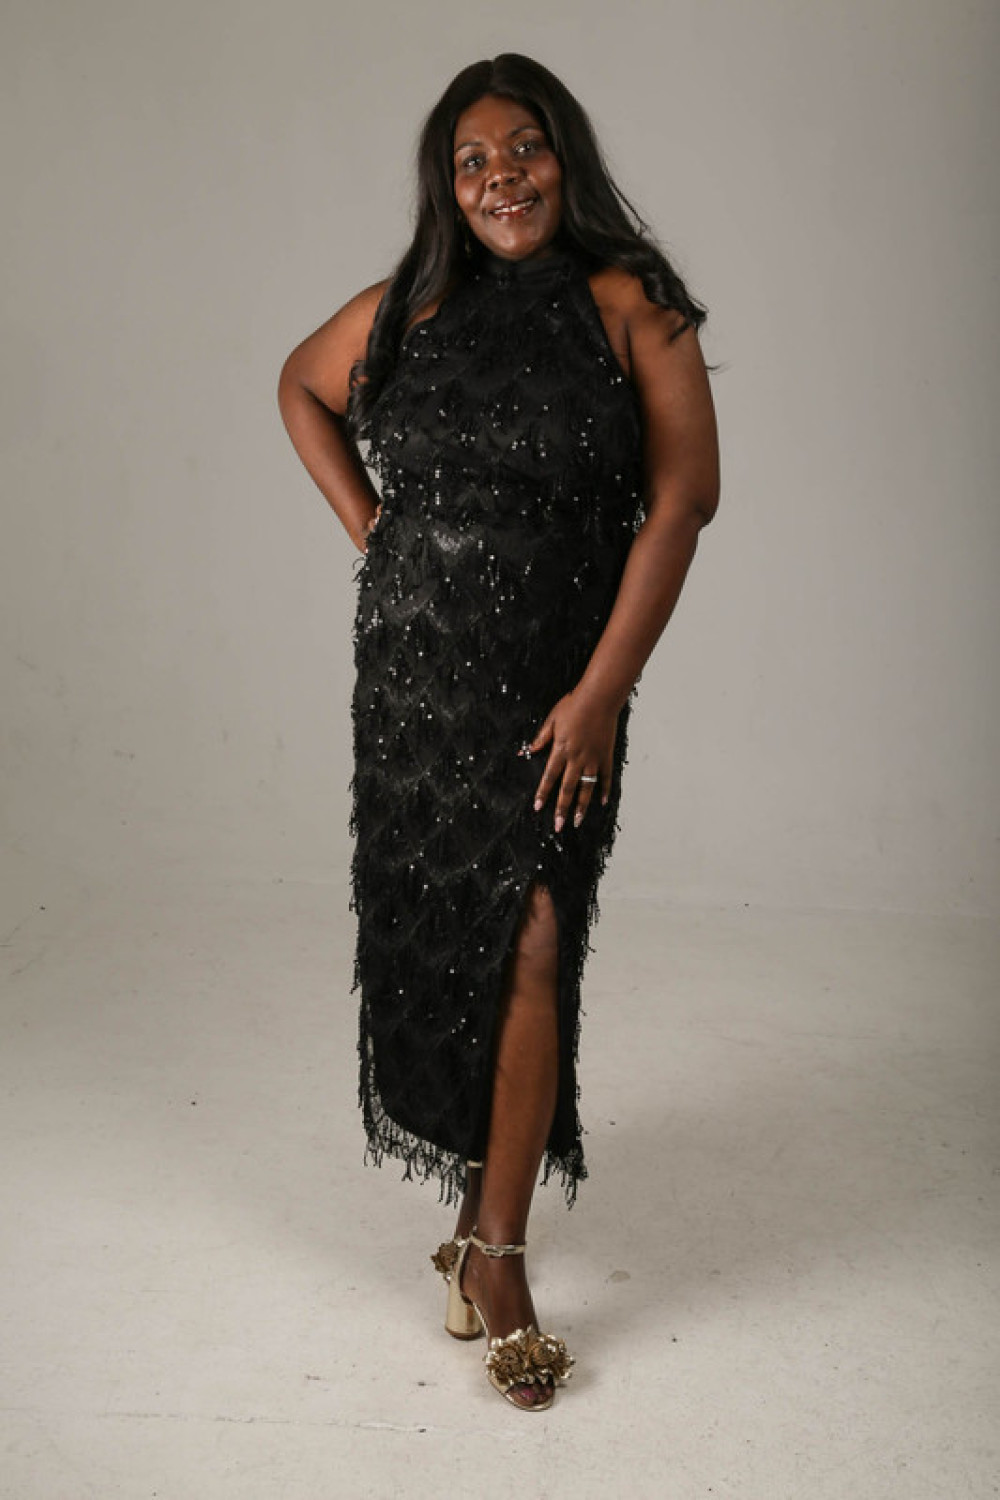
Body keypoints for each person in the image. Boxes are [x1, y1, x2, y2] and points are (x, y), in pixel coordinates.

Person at [277, 52, 720, 1411]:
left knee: (531, 937)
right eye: (471, 162)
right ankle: (479, 1223)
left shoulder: (630, 302)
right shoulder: (411, 306)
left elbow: (684, 500)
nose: (500, 177)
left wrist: (602, 694)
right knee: (445, 949)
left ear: (563, 154)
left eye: (521, 148)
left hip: (553, 696)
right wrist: (375, 534)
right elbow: (299, 387)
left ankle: (498, 1249)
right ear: (446, 187)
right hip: (418, 692)